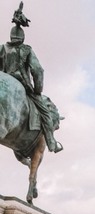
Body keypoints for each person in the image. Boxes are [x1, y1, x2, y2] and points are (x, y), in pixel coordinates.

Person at [0, 4, 63, 153]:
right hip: (22, 83)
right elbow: (38, 70)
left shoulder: (2, 48)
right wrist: (37, 91)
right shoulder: (26, 49)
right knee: (46, 113)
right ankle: (52, 143)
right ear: (22, 37)